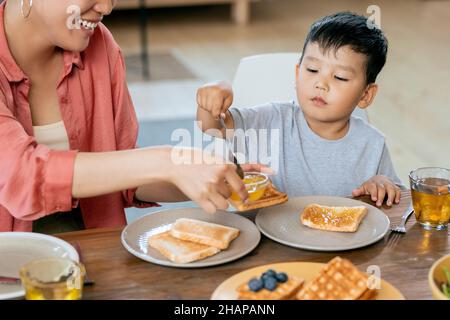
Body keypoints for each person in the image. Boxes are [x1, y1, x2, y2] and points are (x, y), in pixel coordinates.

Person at [0, 0, 257, 233]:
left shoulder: (100, 46)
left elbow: (126, 175)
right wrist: (166, 161)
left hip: (95, 253)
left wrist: (204, 169)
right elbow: (22, 173)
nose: (106, 8)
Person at [196, 12, 405, 208]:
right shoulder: (270, 120)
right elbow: (211, 127)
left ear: (365, 95)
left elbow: (398, 200)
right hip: (269, 242)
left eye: (339, 77)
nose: (321, 84)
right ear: (297, 73)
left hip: (343, 244)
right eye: (312, 70)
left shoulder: (372, 143)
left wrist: (382, 184)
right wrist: (212, 96)